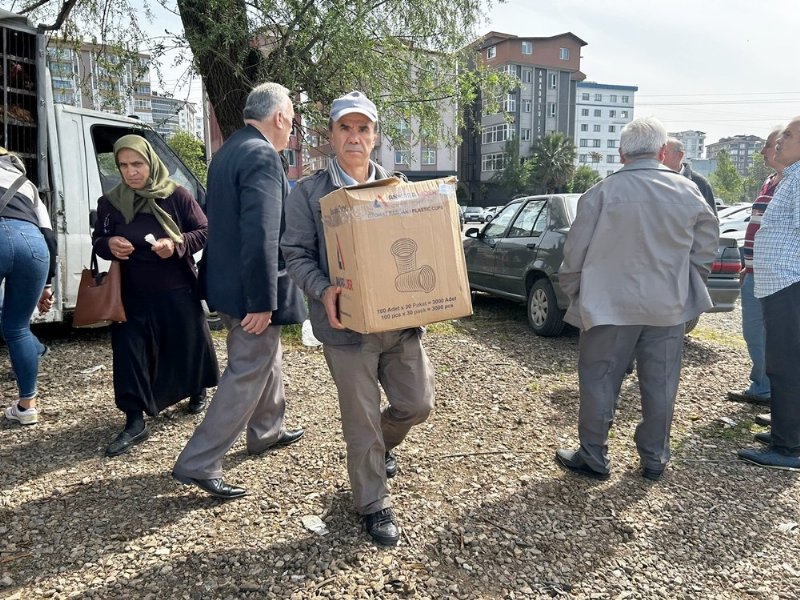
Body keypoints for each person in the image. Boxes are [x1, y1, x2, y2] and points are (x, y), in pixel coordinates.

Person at [282, 91, 435, 545]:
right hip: (346, 328)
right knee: (361, 419)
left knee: (417, 403)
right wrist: (322, 288)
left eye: (363, 128)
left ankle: (381, 448)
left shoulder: (397, 190)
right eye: (345, 128)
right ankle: (374, 503)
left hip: (399, 323)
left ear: (375, 136)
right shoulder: (309, 194)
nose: (354, 136)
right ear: (330, 135)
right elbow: (294, 253)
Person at [555, 117, 718, 481]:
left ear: (621, 154)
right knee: (660, 383)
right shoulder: (688, 191)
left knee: (599, 379)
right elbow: (706, 248)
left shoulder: (601, 193)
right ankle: (655, 458)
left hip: (608, 306)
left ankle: (594, 456)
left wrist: (577, 295)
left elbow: (574, 255)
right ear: (662, 152)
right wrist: (687, 285)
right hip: (667, 306)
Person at [172, 82, 304, 500]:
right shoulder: (264, 155)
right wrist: (262, 301)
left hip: (226, 283)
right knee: (248, 369)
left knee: (268, 357)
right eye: (293, 120)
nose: (292, 130)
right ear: (279, 117)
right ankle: (199, 461)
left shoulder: (228, 151)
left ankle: (267, 429)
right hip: (251, 290)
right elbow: (261, 233)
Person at [93, 135, 218, 456]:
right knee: (129, 353)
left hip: (176, 288)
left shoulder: (177, 196)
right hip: (130, 293)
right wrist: (110, 245)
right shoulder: (110, 202)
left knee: (186, 344)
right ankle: (134, 420)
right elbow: (99, 239)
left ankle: (195, 389)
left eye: (138, 164)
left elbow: (204, 231)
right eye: (123, 165)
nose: (131, 171)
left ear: (151, 163)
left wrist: (175, 245)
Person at [738, 116, 800, 470]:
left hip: (790, 286)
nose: (779, 142)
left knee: (786, 365)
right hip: (780, 286)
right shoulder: (790, 179)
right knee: (783, 363)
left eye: (788, 136)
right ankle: (786, 432)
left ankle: (787, 448)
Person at [726, 127, 784, 414]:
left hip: (776, 275)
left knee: (774, 335)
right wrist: (745, 266)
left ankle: (776, 394)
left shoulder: (791, 183)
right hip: (753, 271)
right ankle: (761, 386)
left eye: (769, 145)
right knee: (753, 332)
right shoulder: (770, 181)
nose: (763, 151)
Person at [1, 149, 56, 425]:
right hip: (34, 245)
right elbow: (49, 235)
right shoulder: (28, 185)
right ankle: (27, 406)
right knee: (18, 328)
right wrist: (47, 285)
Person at [663, 137, 717, 215]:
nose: (660, 157)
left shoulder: (700, 183)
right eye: (659, 153)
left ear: (680, 155)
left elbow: (711, 221)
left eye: (665, 153)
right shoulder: (654, 180)